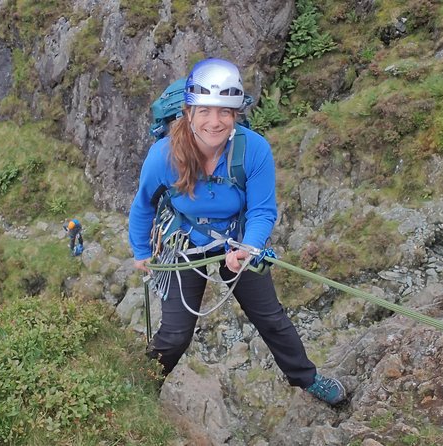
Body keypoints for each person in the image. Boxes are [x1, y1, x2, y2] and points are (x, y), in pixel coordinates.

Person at [128, 58, 346, 405]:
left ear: (236, 114)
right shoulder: (163, 156)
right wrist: (141, 252)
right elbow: (143, 206)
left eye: (225, 112)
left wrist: (249, 246)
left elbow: (262, 210)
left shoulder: (254, 149)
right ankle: (140, 387)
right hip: (185, 241)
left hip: (236, 237)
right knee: (174, 335)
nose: (214, 122)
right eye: (205, 111)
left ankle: (307, 378)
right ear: (188, 112)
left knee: (271, 318)